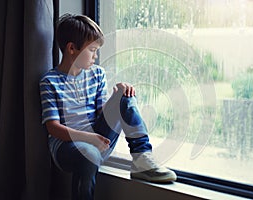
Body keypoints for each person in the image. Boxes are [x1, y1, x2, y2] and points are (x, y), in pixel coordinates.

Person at [39, 13, 176, 200]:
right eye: (92, 50)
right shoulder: (49, 81)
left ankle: (142, 158)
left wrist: (116, 97)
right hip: (66, 147)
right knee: (89, 152)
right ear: (72, 48)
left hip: (97, 138)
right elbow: (52, 128)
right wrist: (90, 138)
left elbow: (100, 113)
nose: (96, 56)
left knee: (124, 95)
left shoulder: (97, 74)